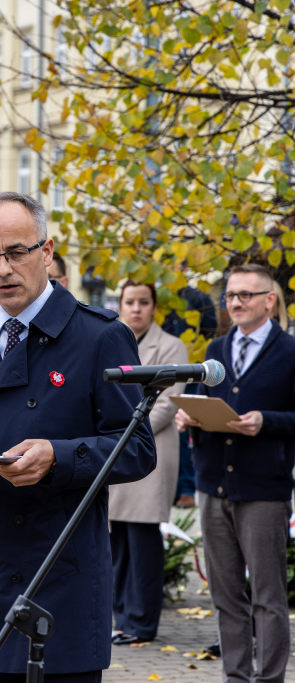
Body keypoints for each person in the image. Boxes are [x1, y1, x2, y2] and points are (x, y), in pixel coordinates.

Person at [0, 192, 156, 678]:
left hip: (60, 567)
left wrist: (58, 457)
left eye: (16, 252)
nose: (3, 269)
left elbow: (136, 448)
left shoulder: (99, 335)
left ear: (46, 252)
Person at [175, 263, 295, 683]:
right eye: (230, 295)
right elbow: (205, 400)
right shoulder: (216, 348)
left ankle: (270, 678)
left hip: (263, 490)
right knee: (225, 595)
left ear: (269, 300)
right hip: (213, 486)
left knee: (267, 597)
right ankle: (236, 677)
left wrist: (267, 421)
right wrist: (188, 417)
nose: (236, 302)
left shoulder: (290, 351)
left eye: (246, 294)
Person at [108, 281, 188, 644]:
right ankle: (120, 618)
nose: (136, 308)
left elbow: (167, 405)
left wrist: (121, 434)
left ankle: (141, 623)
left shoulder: (171, 346)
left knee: (142, 541)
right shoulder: (112, 342)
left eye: (143, 302)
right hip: (114, 451)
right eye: (130, 302)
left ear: (154, 307)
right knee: (118, 541)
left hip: (148, 451)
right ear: (121, 305)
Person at [162, 285, 218, 509]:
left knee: (185, 430)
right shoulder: (161, 296)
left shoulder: (197, 298)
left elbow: (210, 329)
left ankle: (186, 488)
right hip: (164, 368)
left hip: (192, 370)